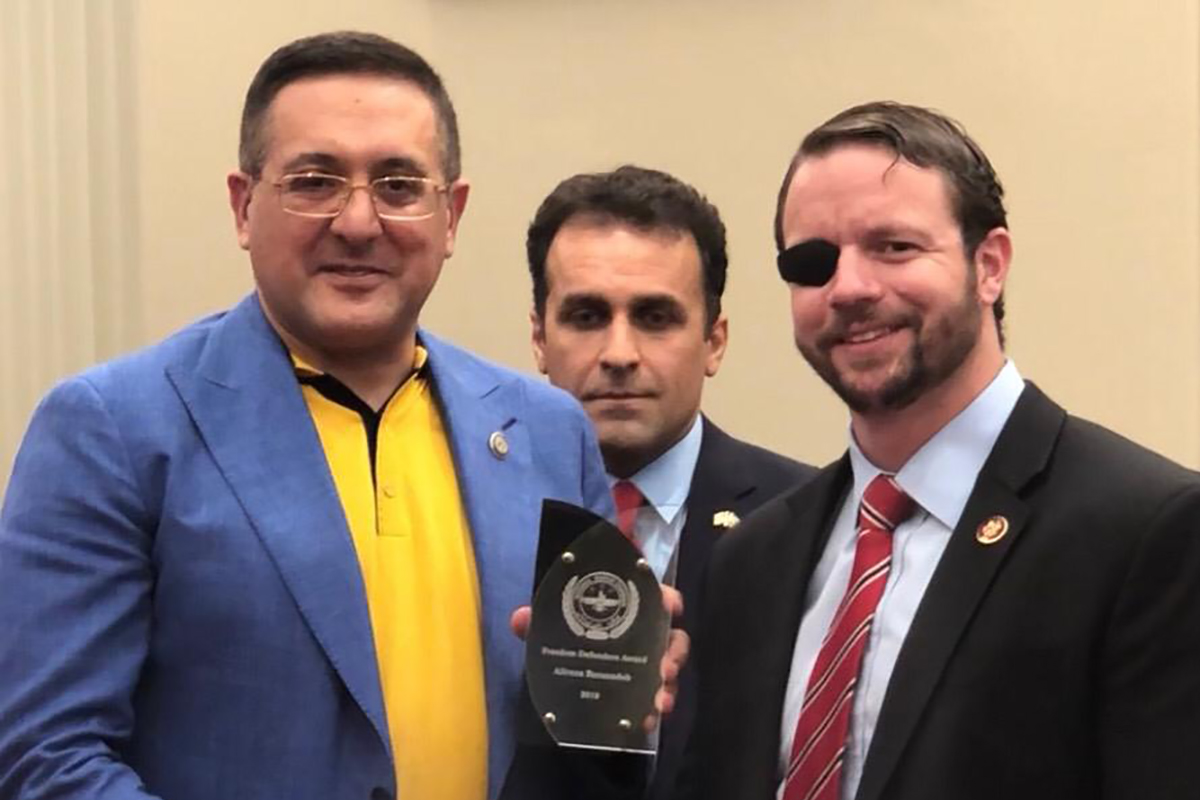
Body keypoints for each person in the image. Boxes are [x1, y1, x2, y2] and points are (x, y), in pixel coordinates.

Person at [0, 31, 619, 800]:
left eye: (399, 185)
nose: (358, 222)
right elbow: (45, 757)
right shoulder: (113, 431)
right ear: (243, 206)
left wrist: (618, 697)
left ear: (451, 215)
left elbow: (587, 748)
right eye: (315, 181)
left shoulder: (550, 434)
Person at [680, 102, 1200, 800]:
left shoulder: (1146, 532)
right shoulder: (754, 557)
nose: (849, 288)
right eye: (813, 263)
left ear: (990, 265)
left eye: (894, 247)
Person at [525, 165, 814, 800]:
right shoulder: (476, 514)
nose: (620, 353)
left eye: (655, 317)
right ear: (540, 338)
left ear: (714, 341)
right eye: (586, 316)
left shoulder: (807, 525)